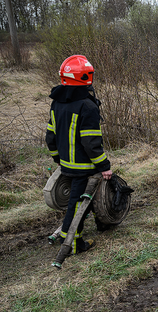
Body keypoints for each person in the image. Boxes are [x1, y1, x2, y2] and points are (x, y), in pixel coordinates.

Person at [45, 55, 112, 255]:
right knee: (78, 202)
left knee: (80, 199)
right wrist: (104, 165)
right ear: (86, 77)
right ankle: (73, 243)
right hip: (84, 166)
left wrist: (58, 158)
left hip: (66, 163)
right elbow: (91, 142)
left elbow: (50, 136)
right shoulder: (88, 106)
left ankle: (100, 225)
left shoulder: (57, 103)